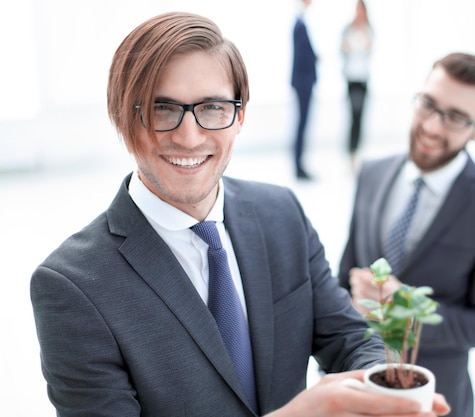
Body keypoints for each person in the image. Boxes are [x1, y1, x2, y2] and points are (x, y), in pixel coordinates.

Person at [29, 11, 451, 417]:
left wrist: (385, 392)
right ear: (123, 116)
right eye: (162, 108)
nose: (189, 137)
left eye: (212, 108)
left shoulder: (281, 214)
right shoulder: (71, 286)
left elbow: (346, 336)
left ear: (239, 116)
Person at [338, 52, 475, 417]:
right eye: (428, 105)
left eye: (456, 118)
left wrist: (408, 310)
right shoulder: (372, 174)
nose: (433, 127)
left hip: (435, 397)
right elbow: (342, 277)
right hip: (357, 384)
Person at [340, 0, 373, 172]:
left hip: (363, 80)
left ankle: (356, 153)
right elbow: (343, 50)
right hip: (351, 80)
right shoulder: (348, 29)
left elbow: (369, 50)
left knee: (360, 118)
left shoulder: (369, 29)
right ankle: (350, 154)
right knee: (353, 116)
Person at [290, 0, 317, 180]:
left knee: (303, 124)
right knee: (302, 124)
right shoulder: (299, 24)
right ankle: (299, 167)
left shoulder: (302, 22)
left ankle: (300, 164)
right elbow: (302, 57)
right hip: (303, 82)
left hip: (304, 81)